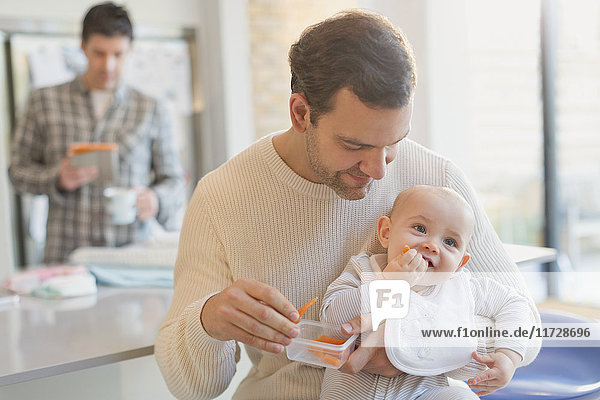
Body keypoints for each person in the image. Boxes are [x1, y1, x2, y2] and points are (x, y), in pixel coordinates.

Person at [155, 9, 540, 400]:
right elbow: (191, 388)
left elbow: (524, 323)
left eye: (394, 143)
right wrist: (208, 322)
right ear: (302, 113)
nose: (378, 170)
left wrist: (407, 347)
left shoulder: (437, 181)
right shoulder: (223, 197)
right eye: (355, 146)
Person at [9, 2, 185, 264]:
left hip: (131, 260)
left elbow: (174, 181)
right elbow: (17, 172)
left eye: (118, 54)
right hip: (65, 259)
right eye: (99, 53)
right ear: (82, 46)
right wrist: (57, 178)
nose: (109, 65)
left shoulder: (151, 108)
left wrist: (156, 200)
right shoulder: (43, 101)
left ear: (130, 49)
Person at [320, 185, 534, 399]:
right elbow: (333, 324)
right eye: (420, 228)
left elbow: (515, 304)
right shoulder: (364, 270)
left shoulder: (462, 288)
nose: (433, 245)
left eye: (450, 242)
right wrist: (390, 283)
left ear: (460, 262)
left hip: (425, 393)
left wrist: (509, 355)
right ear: (386, 233)